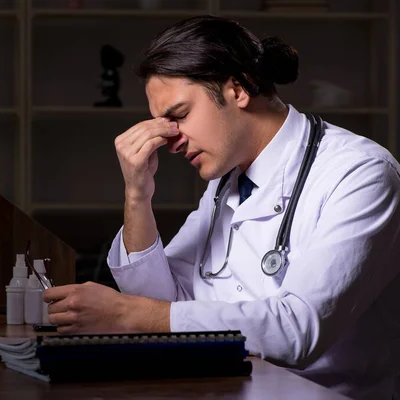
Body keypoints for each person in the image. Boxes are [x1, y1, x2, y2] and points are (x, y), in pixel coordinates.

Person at [42, 15, 400, 399]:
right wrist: (137, 194)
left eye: (179, 115)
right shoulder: (225, 182)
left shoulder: (360, 173)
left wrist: (129, 314)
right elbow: (162, 302)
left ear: (239, 88)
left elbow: (299, 331)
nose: (170, 139)